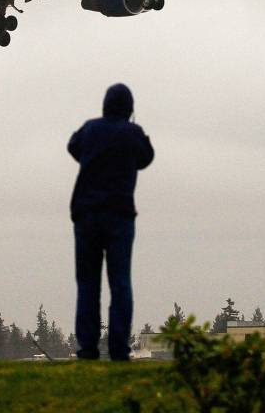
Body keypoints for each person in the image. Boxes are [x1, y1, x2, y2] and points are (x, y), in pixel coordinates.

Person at [68, 83, 154, 361]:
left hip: (86, 214)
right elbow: (146, 158)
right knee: (120, 283)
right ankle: (119, 349)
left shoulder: (90, 129)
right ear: (129, 109)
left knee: (88, 284)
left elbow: (73, 147)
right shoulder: (132, 134)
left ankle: (87, 349)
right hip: (119, 215)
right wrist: (135, 130)